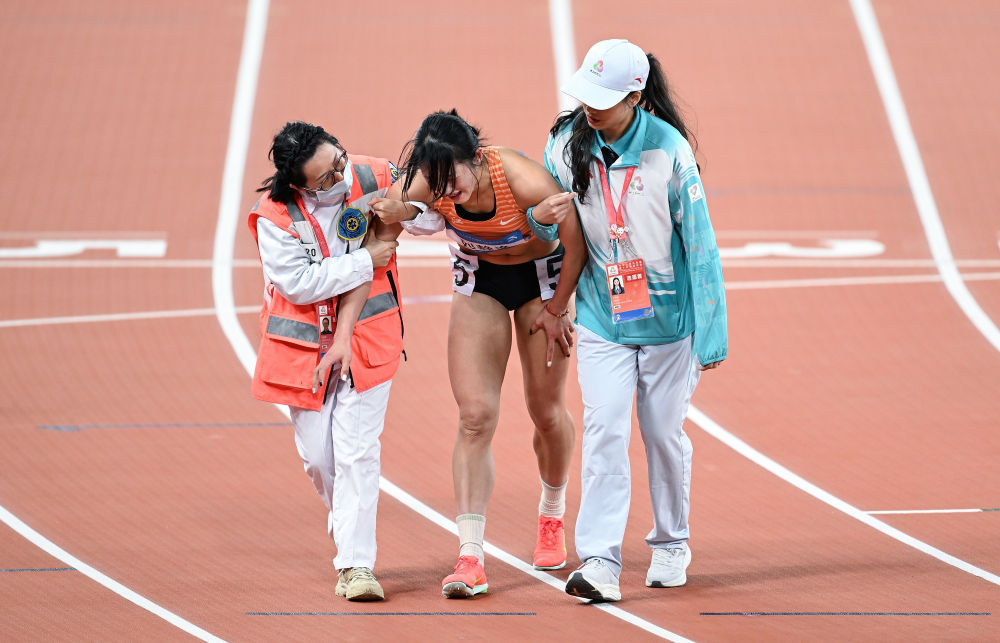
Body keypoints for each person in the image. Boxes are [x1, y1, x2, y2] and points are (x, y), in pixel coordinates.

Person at [370, 110, 587, 598]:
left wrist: (557, 310)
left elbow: (575, 247)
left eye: (454, 180)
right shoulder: (427, 182)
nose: (447, 193)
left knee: (546, 411)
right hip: (480, 281)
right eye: (437, 185)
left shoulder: (523, 178)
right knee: (474, 418)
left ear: (477, 158)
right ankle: (470, 556)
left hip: (541, 284)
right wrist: (380, 236)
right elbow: (383, 230)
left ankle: (552, 514)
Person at [543, 39, 727, 602]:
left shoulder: (670, 151)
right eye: (586, 96)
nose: (590, 109)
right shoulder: (564, 146)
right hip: (603, 317)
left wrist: (711, 331)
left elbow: (700, 243)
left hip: (671, 325)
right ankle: (600, 560)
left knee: (662, 435)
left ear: (635, 97)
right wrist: (538, 220)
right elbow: (553, 233)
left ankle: (671, 542)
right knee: (605, 430)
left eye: (603, 100)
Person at [248, 121, 418, 601]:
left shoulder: (373, 174)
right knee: (321, 460)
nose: (340, 178)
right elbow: (299, 283)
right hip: (304, 353)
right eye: (325, 179)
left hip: (369, 339)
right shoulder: (275, 218)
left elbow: (428, 208)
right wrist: (367, 260)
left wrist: (410, 208)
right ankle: (346, 523)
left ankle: (356, 567)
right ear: (300, 186)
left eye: (339, 160)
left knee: (357, 453)